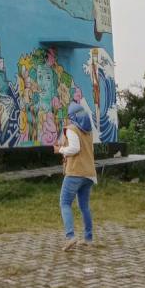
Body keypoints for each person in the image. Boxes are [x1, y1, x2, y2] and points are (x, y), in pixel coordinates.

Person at [54, 102, 97, 250]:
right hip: (89, 173)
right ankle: (88, 238)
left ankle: (70, 236)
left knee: (65, 203)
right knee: (84, 206)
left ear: (72, 117)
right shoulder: (88, 131)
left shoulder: (71, 129)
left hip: (75, 172)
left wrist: (60, 149)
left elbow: (74, 148)